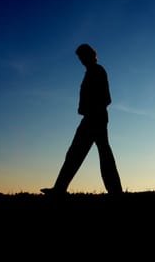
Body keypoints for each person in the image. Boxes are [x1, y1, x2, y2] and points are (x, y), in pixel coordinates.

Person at [41, 43, 123, 195]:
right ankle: (60, 188)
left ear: (90, 55)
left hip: (95, 118)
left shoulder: (98, 71)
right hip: (92, 117)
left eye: (82, 57)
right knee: (84, 153)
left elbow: (107, 98)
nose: (81, 60)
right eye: (80, 58)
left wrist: (90, 109)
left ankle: (114, 191)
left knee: (88, 153)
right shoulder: (90, 72)